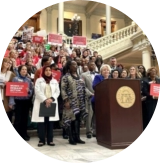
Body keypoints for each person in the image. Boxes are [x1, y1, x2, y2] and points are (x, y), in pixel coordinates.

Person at [31, 66, 60, 147]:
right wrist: (45, 99)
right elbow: (37, 91)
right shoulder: (39, 81)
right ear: (43, 72)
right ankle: (41, 140)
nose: (48, 72)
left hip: (51, 103)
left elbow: (57, 91)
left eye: (49, 70)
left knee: (50, 122)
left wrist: (51, 99)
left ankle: (50, 140)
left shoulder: (54, 81)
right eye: (46, 70)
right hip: (42, 103)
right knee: (42, 122)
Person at [61, 60, 88, 145]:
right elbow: (63, 89)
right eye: (73, 65)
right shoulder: (66, 77)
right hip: (71, 102)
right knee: (70, 119)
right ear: (69, 66)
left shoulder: (79, 77)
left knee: (77, 119)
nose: (75, 66)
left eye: (76, 65)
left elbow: (84, 88)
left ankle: (77, 137)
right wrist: (66, 100)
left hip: (80, 102)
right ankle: (71, 138)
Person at [9, 65, 33, 141]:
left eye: (25, 69)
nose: (24, 71)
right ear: (19, 70)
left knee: (25, 119)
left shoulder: (28, 80)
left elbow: (31, 91)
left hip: (26, 101)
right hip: (18, 101)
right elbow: (12, 91)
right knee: (18, 119)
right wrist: (11, 102)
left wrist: (28, 91)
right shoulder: (15, 79)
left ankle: (24, 134)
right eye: (22, 69)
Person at [91, 64, 111, 137]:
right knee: (97, 116)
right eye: (104, 70)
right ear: (101, 71)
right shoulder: (98, 77)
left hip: (108, 101)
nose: (106, 71)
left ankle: (105, 131)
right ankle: (96, 131)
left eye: (107, 70)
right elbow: (94, 86)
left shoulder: (111, 78)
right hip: (97, 100)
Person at [81, 61, 98, 138]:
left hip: (98, 97)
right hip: (89, 97)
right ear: (88, 66)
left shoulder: (98, 74)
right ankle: (88, 131)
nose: (93, 66)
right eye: (91, 65)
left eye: (94, 65)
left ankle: (95, 131)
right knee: (89, 115)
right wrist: (90, 94)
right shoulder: (83, 75)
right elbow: (83, 86)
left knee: (96, 115)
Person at [0, 58, 16, 124]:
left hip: (6, 96)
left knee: (7, 115)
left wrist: (8, 84)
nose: (7, 64)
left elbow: (15, 84)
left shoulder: (11, 74)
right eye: (6, 62)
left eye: (9, 63)